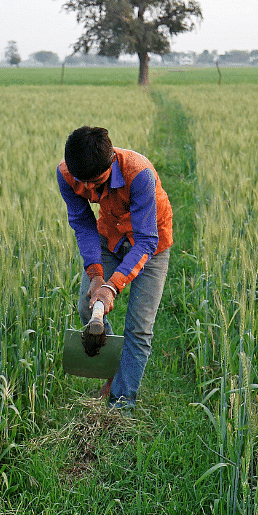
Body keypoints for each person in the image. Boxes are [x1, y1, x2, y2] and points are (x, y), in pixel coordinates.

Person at [57, 126, 173, 412]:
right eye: (84, 184)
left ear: (110, 163)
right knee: (88, 307)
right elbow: (83, 223)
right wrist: (97, 276)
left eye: (97, 183)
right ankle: (114, 374)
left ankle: (121, 406)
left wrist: (111, 287)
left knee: (139, 328)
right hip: (110, 236)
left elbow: (146, 240)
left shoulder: (139, 174)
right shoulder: (65, 175)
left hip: (151, 244)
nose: (91, 191)